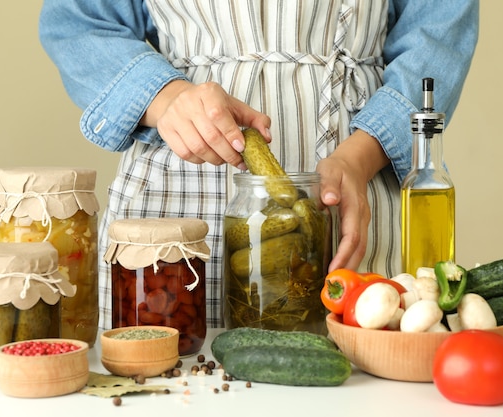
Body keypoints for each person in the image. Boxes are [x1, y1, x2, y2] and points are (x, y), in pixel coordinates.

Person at [39, 0, 479, 329]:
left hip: (353, 187)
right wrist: (167, 98)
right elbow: (76, 22)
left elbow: (437, 28)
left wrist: (360, 157)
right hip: (175, 196)